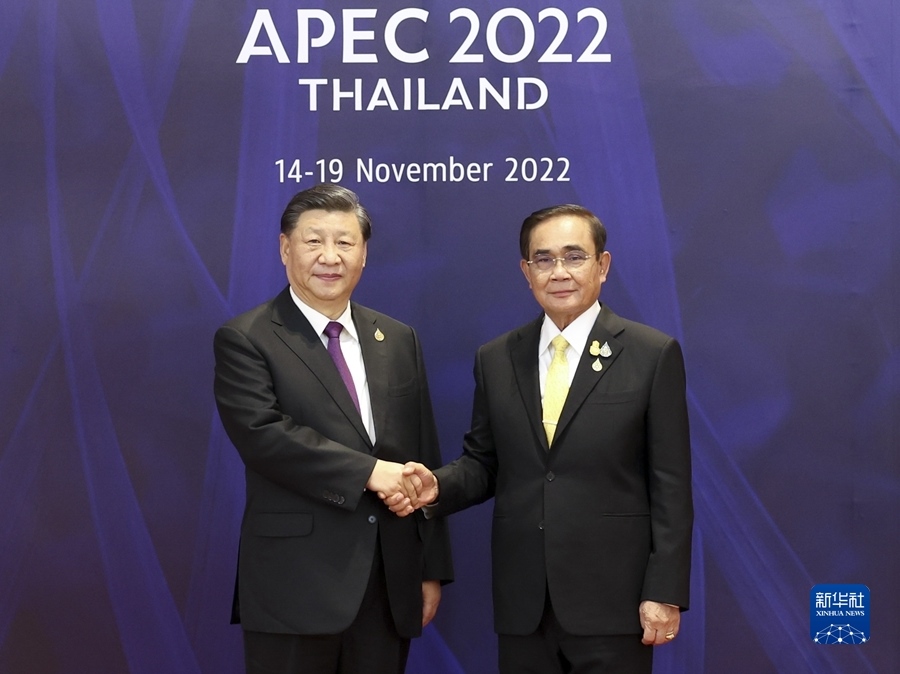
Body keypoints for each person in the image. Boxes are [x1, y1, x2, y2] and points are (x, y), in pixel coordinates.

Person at [391, 204, 692, 673]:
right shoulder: (496, 358)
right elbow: (483, 463)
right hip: (524, 604)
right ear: (526, 271)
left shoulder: (651, 354)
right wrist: (437, 486)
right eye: (544, 259)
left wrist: (665, 591)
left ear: (602, 266)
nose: (559, 272)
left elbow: (671, 484)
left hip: (615, 601)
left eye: (574, 257)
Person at [214, 183, 452, 674]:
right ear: (285, 248)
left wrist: (430, 568)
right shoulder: (247, 338)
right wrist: (370, 472)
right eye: (313, 241)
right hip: (294, 586)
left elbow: (424, 456)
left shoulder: (398, 338)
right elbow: (264, 437)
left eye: (345, 242)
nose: (330, 256)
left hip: (388, 583)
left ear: (363, 254)